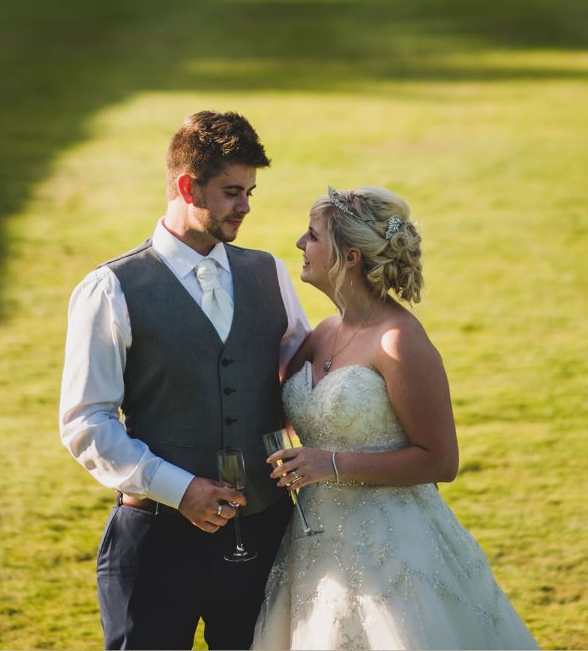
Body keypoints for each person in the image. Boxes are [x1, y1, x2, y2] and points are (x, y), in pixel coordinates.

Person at [60, 111, 311, 650]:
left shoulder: (268, 273)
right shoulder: (110, 288)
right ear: (186, 186)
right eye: (231, 192)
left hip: (263, 534)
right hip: (156, 541)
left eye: (250, 192)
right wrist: (182, 490)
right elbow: (86, 422)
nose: (245, 206)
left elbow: (304, 383)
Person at [252, 186, 538, 651]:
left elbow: (440, 460)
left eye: (313, 236)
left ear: (349, 257)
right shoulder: (324, 332)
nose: (300, 244)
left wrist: (331, 464)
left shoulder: (399, 342)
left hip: (393, 546)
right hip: (316, 544)